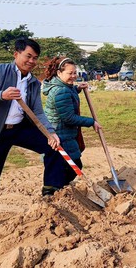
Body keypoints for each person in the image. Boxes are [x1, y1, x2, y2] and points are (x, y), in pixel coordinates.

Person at [0, 38, 61, 242]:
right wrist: (2, 94)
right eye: (28, 56)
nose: (31, 61)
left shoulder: (34, 83)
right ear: (16, 54)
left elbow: (37, 111)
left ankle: (50, 191)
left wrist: (50, 133)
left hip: (19, 129)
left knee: (54, 147)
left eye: (35, 58)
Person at [41, 57, 102, 191]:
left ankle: (58, 188)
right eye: (70, 73)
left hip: (64, 134)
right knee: (69, 166)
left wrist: (77, 89)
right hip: (59, 135)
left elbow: (68, 92)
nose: (73, 76)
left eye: (75, 73)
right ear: (59, 73)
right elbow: (69, 117)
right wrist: (91, 122)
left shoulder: (63, 87)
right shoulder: (60, 91)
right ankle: (53, 191)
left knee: (66, 166)